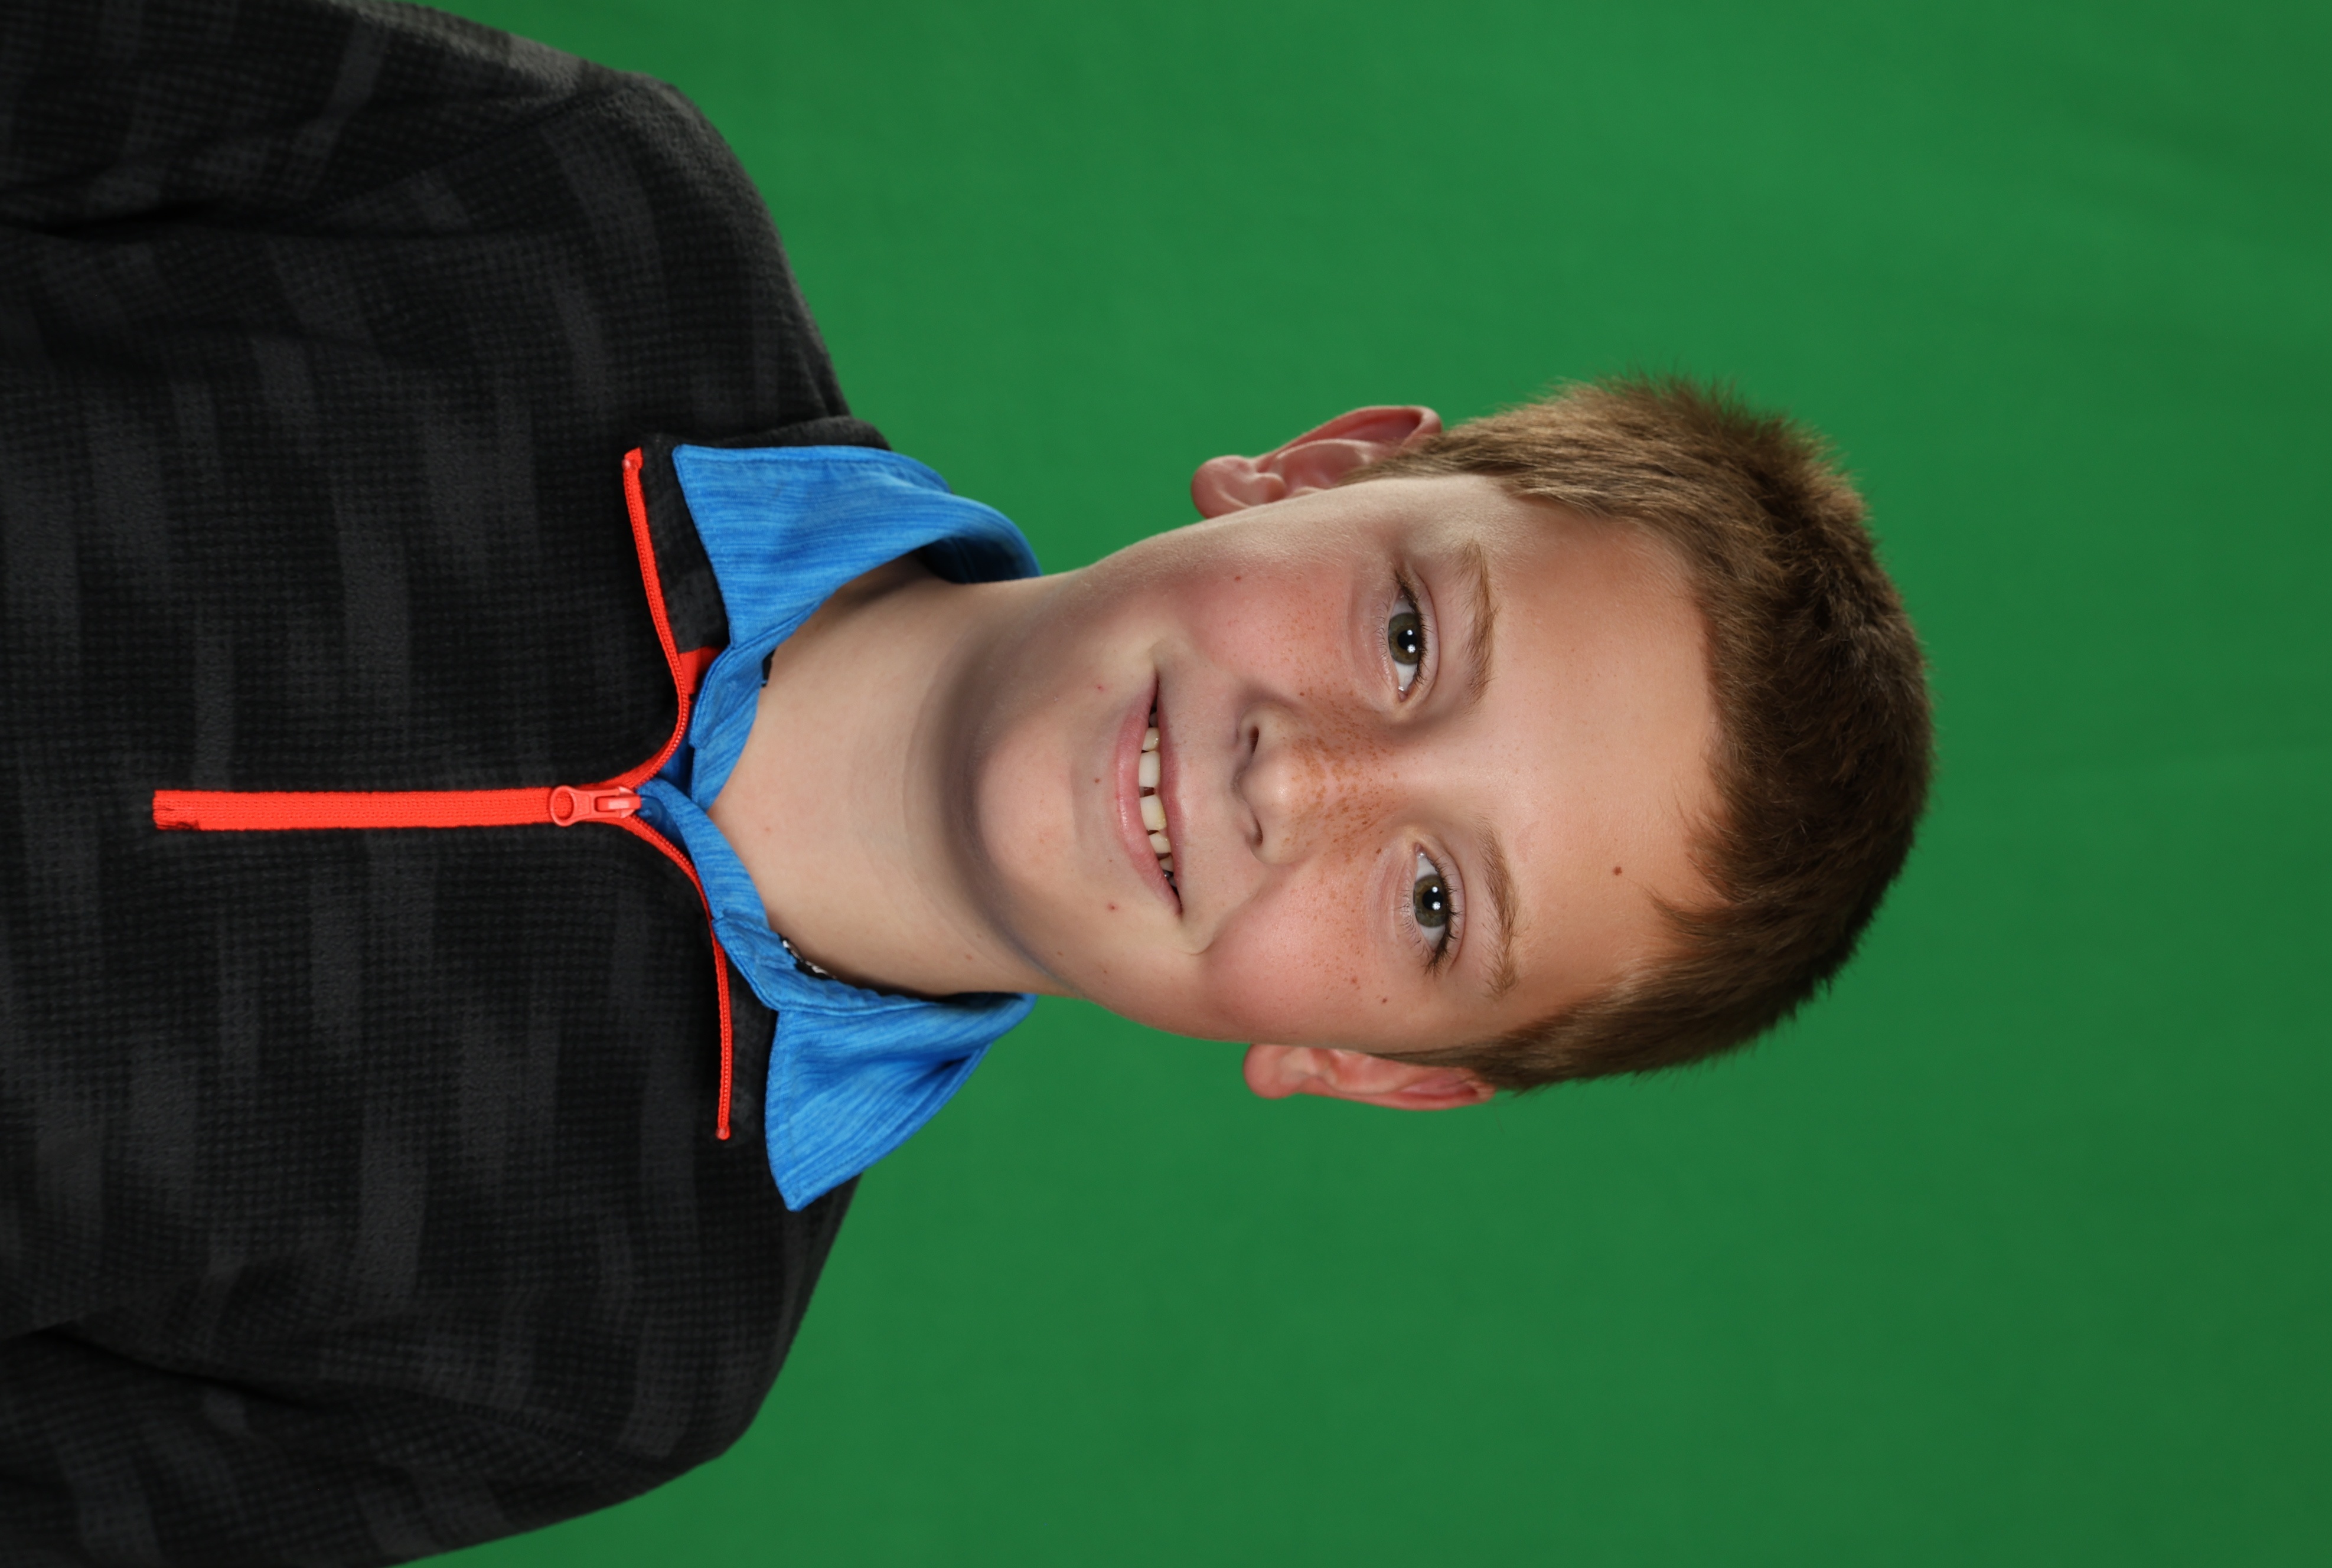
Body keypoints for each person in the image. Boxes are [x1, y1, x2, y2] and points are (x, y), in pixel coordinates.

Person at [0, 0, 1929, 1563]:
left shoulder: (606, 1360)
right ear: (1320, 469)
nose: (1303, 781)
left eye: (1433, 901)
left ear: (1365, 1064)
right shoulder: (565, 209)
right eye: (1411, 638)